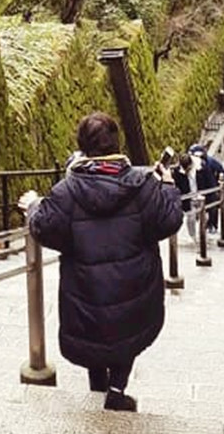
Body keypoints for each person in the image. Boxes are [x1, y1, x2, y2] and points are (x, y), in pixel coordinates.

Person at [26, 111, 182, 412]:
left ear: (83, 147)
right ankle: (116, 388)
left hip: (86, 286)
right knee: (128, 331)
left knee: (93, 332)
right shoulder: (143, 185)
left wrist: (34, 205)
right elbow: (169, 220)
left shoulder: (67, 191)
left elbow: (44, 226)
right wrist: (168, 186)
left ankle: (98, 389)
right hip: (134, 283)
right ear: (116, 143)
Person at [188, 143, 224, 233]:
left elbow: (222, 171)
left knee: (213, 208)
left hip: (211, 189)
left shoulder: (211, 162)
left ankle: (212, 225)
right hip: (198, 190)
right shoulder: (190, 165)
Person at [172, 150, 203, 242]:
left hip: (200, 195)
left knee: (204, 216)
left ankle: (203, 234)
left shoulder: (200, 167)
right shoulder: (178, 172)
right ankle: (193, 236)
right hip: (188, 198)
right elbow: (177, 186)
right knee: (191, 217)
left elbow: (206, 181)